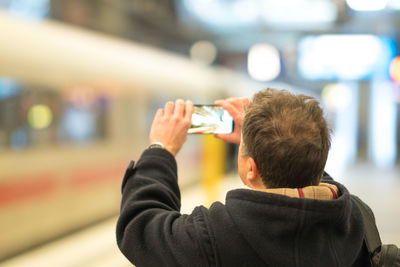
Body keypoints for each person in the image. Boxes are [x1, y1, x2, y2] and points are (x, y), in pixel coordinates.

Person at [116, 88, 371, 266]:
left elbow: (140, 226)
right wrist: (259, 144)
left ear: (252, 168)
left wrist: (161, 149)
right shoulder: (357, 219)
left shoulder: (214, 237)